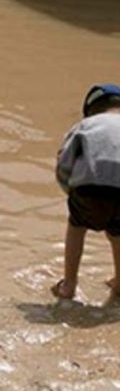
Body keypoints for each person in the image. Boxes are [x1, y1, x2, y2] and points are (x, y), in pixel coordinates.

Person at [51, 83, 120, 304]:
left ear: (90, 110)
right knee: (118, 234)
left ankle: (69, 284)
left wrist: (70, 191)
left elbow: (64, 162)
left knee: (77, 227)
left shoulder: (85, 125)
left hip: (89, 187)